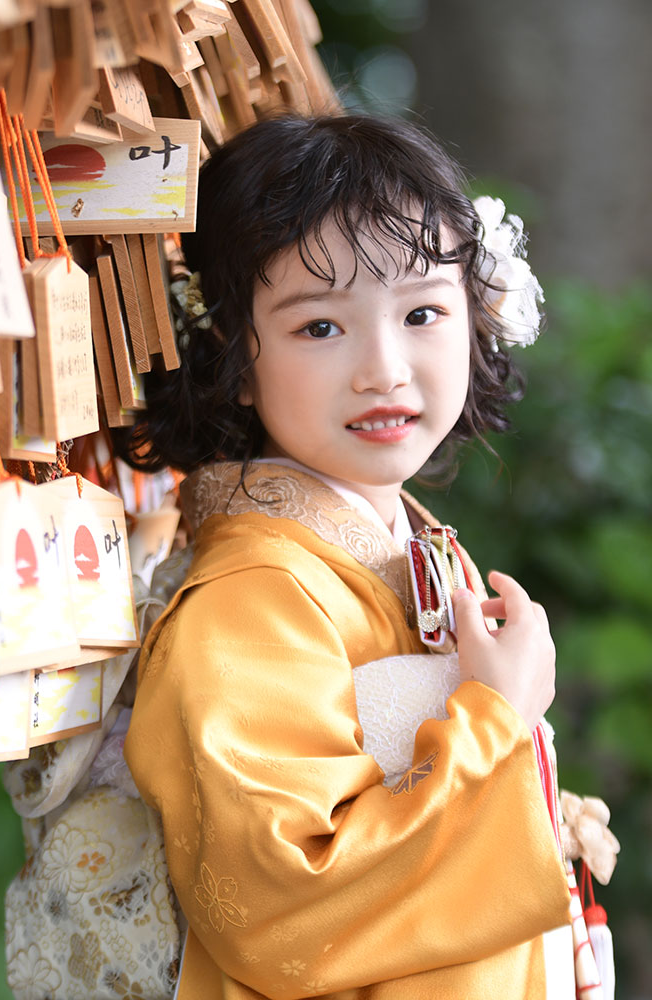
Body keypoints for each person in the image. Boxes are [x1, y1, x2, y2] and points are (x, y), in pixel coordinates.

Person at [116, 114, 576, 999]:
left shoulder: (405, 554)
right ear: (233, 360)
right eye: (320, 328)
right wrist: (493, 721)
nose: (384, 369)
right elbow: (279, 900)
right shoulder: (249, 600)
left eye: (423, 312)